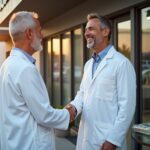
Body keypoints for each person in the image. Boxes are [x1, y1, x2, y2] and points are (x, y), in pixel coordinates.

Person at [0, 11, 75, 150]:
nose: (41, 36)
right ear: (29, 33)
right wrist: (68, 114)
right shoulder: (25, 69)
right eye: (39, 31)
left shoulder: (7, 65)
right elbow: (44, 115)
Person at [66, 13, 136, 150]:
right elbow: (82, 93)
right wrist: (73, 107)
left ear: (105, 31)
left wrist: (113, 140)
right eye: (86, 29)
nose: (86, 33)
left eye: (91, 29)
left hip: (107, 141)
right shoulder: (88, 65)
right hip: (86, 139)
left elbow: (127, 107)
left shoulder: (121, 64)